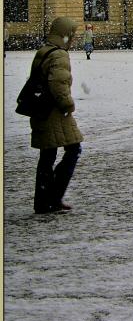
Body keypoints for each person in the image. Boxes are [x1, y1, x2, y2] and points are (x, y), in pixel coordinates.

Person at [29, 16, 84, 214]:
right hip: (54, 112)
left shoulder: (45, 50)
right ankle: (52, 196)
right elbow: (58, 83)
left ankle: (44, 201)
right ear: (65, 35)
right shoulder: (59, 54)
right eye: (72, 35)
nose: (75, 38)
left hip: (41, 110)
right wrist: (67, 104)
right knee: (73, 149)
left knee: (47, 155)